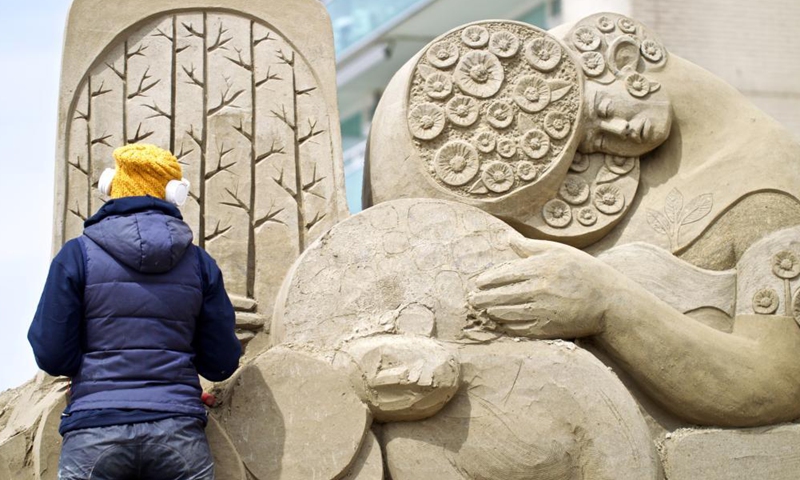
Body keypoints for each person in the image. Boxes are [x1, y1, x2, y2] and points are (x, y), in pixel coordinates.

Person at [28, 143, 242, 479]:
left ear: (112, 185)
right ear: (173, 194)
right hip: (178, 429)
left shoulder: (76, 255)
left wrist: (87, 373)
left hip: (94, 428)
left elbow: (51, 354)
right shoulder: (200, 264)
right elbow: (221, 363)